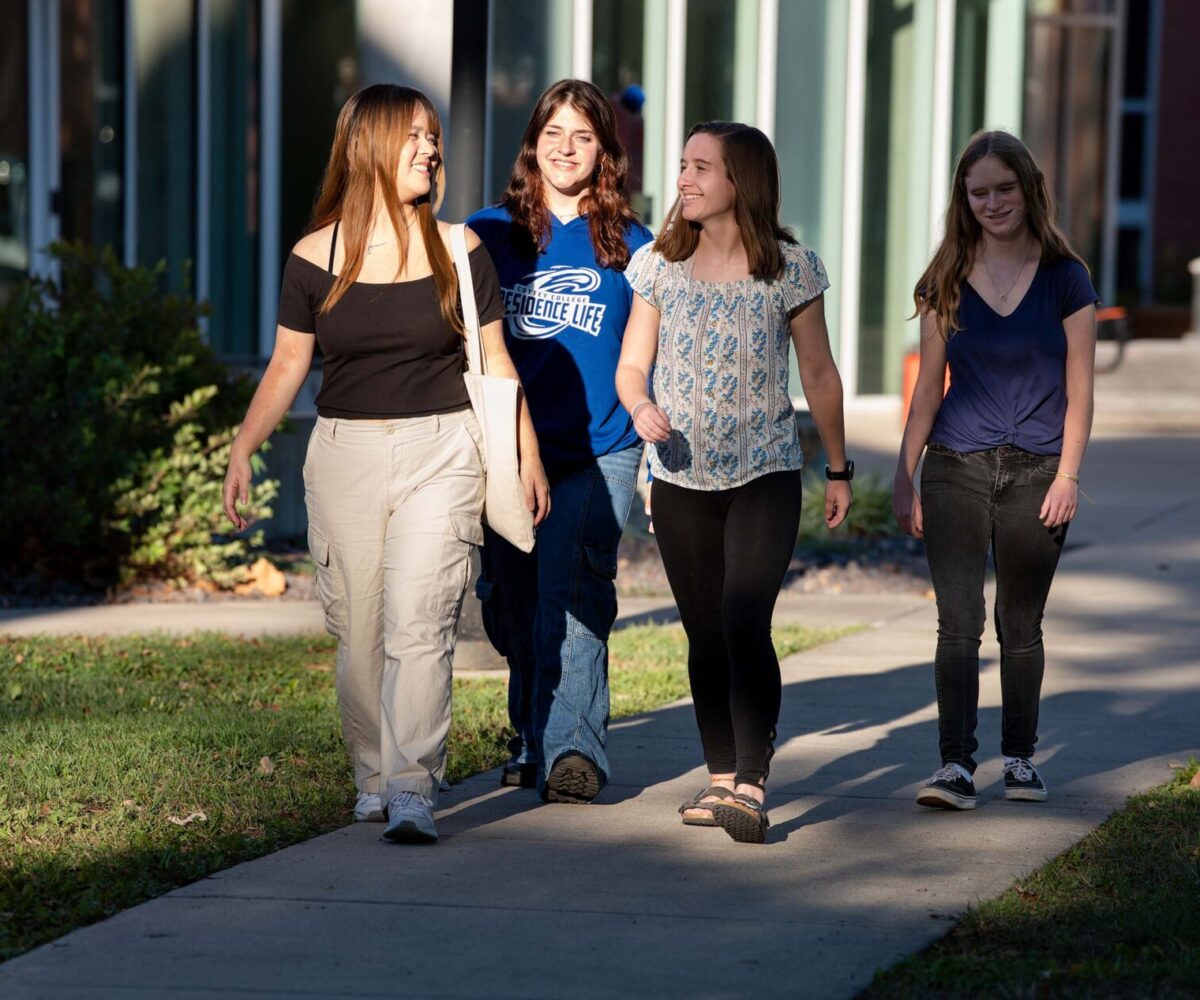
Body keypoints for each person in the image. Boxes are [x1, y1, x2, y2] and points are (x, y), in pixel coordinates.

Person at [222, 84, 549, 844]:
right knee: (359, 628)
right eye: (413, 137)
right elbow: (285, 367)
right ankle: (371, 774)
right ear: (367, 145)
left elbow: (496, 359)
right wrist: (243, 447)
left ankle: (411, 787)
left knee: (421, 620)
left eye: (434, 137)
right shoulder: (313, 258)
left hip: (444, 449)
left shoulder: (461, 251)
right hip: (344, 455)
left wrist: (526, 453)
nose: (431, 150)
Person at [616, 121, 852, 843]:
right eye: (683, 164)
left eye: (700, 167)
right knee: (704, 630)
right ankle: (719, 776)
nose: (684, 178)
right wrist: (641, 406)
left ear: (738, 181)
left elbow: (818, 373)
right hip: (682, 477)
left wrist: (838, 467)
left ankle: (751, 783)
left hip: (766, 472)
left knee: (746, 619)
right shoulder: (658, 265)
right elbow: (632, 365)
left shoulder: (790, 267)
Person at [892, 129, 1097, 811]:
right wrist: (904, 471)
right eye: (978, 192)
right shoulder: (944, 280)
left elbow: (1082, 385)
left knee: (1020, 623)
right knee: (958, 622)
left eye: (1003, 188)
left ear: (1027, 187)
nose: (991, 202)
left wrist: (1069, 475)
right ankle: (955, 767)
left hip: (1039, 470)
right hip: (955, 464)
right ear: (964, 198)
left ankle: (1020, 758)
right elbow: (927, 390)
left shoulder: (1068, 278)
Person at [468, 79, 653, 803]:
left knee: (573, 597)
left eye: (582, 136)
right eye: (553, 134)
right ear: (533, 144)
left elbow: (645, 356)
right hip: (507, 449)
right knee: (514, 610)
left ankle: (573, 749)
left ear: (604, 149)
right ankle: (530, 733)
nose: (566, 148)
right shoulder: (488, 234)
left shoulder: (635, 246)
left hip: (597, 449)